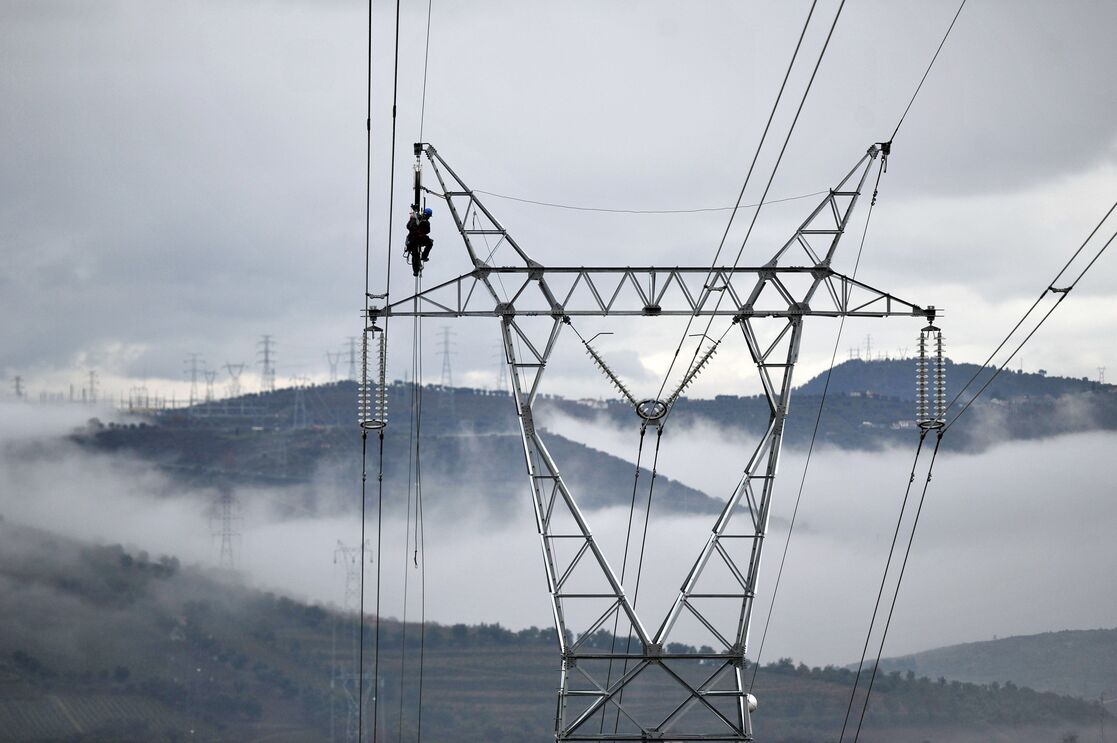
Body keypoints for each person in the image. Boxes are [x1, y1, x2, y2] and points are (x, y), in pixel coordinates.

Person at [405, 207, 433, 277]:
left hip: (411, 240)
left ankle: (415, 271)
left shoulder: (415, 219)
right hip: (417, 239)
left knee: (415, 256)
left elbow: (408, 226)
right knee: (429, 243)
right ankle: (424, 256)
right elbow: (427, 231)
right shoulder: (425, 222)